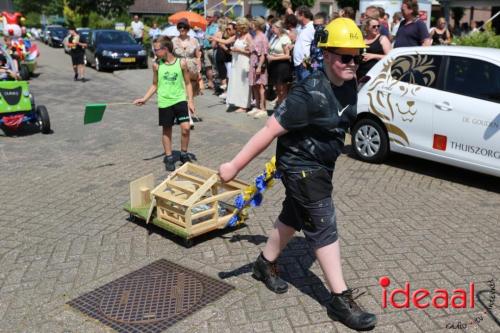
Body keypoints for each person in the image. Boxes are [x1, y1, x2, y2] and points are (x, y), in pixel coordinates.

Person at [218, 17, 377, 332]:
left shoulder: (349, 82)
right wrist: (234, 166)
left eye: (357, 57)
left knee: (293, 214)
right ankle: (339, 299)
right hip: (300, 165)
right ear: (327, 55)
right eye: (345, 57)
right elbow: (268, 130)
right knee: (322, 223)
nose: (352, 63)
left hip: (322, 165)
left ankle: (264, 264)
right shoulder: (308, 92)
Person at [133, 36, 195, 172]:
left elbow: (188, 83)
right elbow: (155, 85)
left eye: (156, 50)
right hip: (165, 102)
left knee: (186, 128)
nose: (154, 52)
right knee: (167, 130)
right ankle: (169, 157)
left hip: (180, 100)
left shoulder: (181, 63)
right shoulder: (156, 65)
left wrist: (190, 101)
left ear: (165, 49)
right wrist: (144, 98)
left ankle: (183, 153)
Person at [225, 17, 252, 113]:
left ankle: (245, 105)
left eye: (238, 26)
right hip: (236, 61)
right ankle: (239, 102)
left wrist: (239, 50)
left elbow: (251, 52)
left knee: (244, 83)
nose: (236, 28)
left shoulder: (248, 36)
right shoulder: (239, 36)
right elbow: (226, 41)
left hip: (244, 61)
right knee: (238, 82)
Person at [172, 20, 202, 96]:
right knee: (179, 93)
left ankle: (189, 106)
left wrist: (199, 72)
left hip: (192, 70)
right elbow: (170, 56)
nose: (182, 29)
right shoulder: (173, 41)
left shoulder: (194, 40)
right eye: (180, 27)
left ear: (188, 29)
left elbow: (198, 57)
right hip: (178, 69)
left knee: (190, 94)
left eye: (184, 27)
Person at [266, 20, 292, 110]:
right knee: (277, 88)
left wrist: (274, 58)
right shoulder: (274, 37)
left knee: (282, 89)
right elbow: (272, 50)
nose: (272, 29)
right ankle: (280, 106)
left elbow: (287, 55)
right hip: (274, 65)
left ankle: (283, 108)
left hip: (282, 66)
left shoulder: (285, 38)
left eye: (274, 28)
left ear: (279, 28)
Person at [247, 17, 269, 119]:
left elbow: (264, 54)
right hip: (253, 62)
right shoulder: (256, 36)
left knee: (261, 85)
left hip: (259, 63)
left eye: (253, 24)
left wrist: (260, 66)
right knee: (255, 85)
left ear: (257, 25)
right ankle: (257, 106)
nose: (251, 25)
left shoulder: (263, 37)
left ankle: (263, 108)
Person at [293, 6, 315, 81]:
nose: (295, 17)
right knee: (301, 89)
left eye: (297, 14)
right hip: (298, 65)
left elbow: (317, 46)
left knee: (307, 89)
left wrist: (308, 62)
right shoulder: (301, 28)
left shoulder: (312, 27)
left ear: (302, 15)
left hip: (306, 65)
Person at [202, 10, 221, 90]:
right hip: (205, 48)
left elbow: (216, 37)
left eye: (209, 17)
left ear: (213, 18)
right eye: (207, 17)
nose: (207, 18)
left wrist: (209, 37)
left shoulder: (216, 27)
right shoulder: (205, 26)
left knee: (216, 67)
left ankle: (219, 83)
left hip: (212, 48)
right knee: (208, 66)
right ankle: (210, 82)